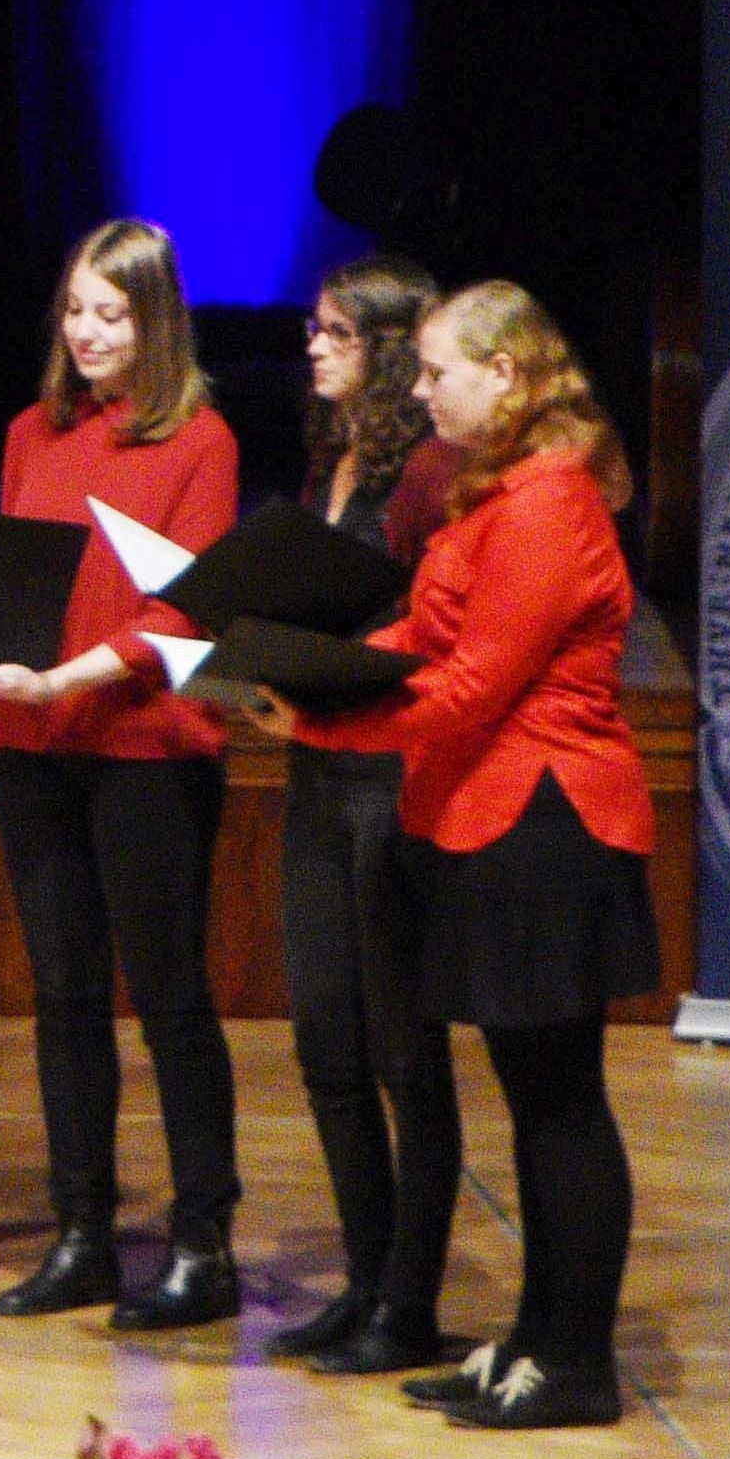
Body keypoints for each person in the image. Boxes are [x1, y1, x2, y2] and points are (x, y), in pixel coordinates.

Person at [295, 283, 654, 1431]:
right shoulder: (491, 489)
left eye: (437, 367)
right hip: (485, 820)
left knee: (560, 1104)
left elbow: (469, 687)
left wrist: (319, 716)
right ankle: (532, 1341)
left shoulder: (548, 501)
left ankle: (577, 1360)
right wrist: (312, 662)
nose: (417, 386)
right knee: (531, 1096)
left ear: (504, 374)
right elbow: (424, 634)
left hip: (545, 827)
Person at [0, 218, 247, 1330]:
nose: (84, 331)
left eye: (110, 313)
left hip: (143, 748)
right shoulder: (32, 428)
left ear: (154, 321)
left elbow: (180, 608)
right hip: (35, 750)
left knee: (167, 996)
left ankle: (200, 1239)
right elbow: (18, 573)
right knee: (62, 996)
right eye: (74, 309)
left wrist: (68, 673)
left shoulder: (199, 439)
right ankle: (79, 1232)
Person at [259, 256, 470, 1374]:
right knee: (324, 1041)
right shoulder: (325, 453)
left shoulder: (429, 471)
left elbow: (432, 625)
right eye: (313, 325)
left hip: (388, 771)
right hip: (311, 758)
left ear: (391, 347)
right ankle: (361, 1274)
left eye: (334, 329)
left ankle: (410, 1300)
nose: (311, 343)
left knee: (401, 1049)